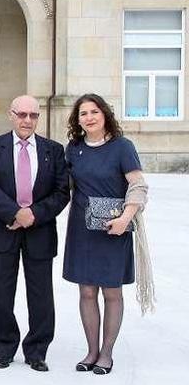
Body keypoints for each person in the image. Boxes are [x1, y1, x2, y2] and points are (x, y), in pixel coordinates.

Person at [0, 95, 70, 372]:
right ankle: (4, 348)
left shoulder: (54, 150)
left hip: (40, 231)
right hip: (3, 228)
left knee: (41, 295)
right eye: (22, 114)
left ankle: (37, 351)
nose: (27, 120)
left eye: (33, 115)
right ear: (11, 115)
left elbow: (61, 192)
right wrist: (15, 213)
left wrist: (33, 214)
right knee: (1, 294)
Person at [63, 93, 149, 375]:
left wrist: (126, 218)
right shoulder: (73, 149)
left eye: (94, 112)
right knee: (87, 291)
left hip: (115, 227)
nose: (89, 117)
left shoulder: (122, 147)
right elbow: (63, 186)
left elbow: (138, 186)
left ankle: (107, 354)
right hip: (82, 229)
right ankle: (91, 351)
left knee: (112, 292)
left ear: (104, 114)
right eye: (83, 113)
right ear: (78, 121)